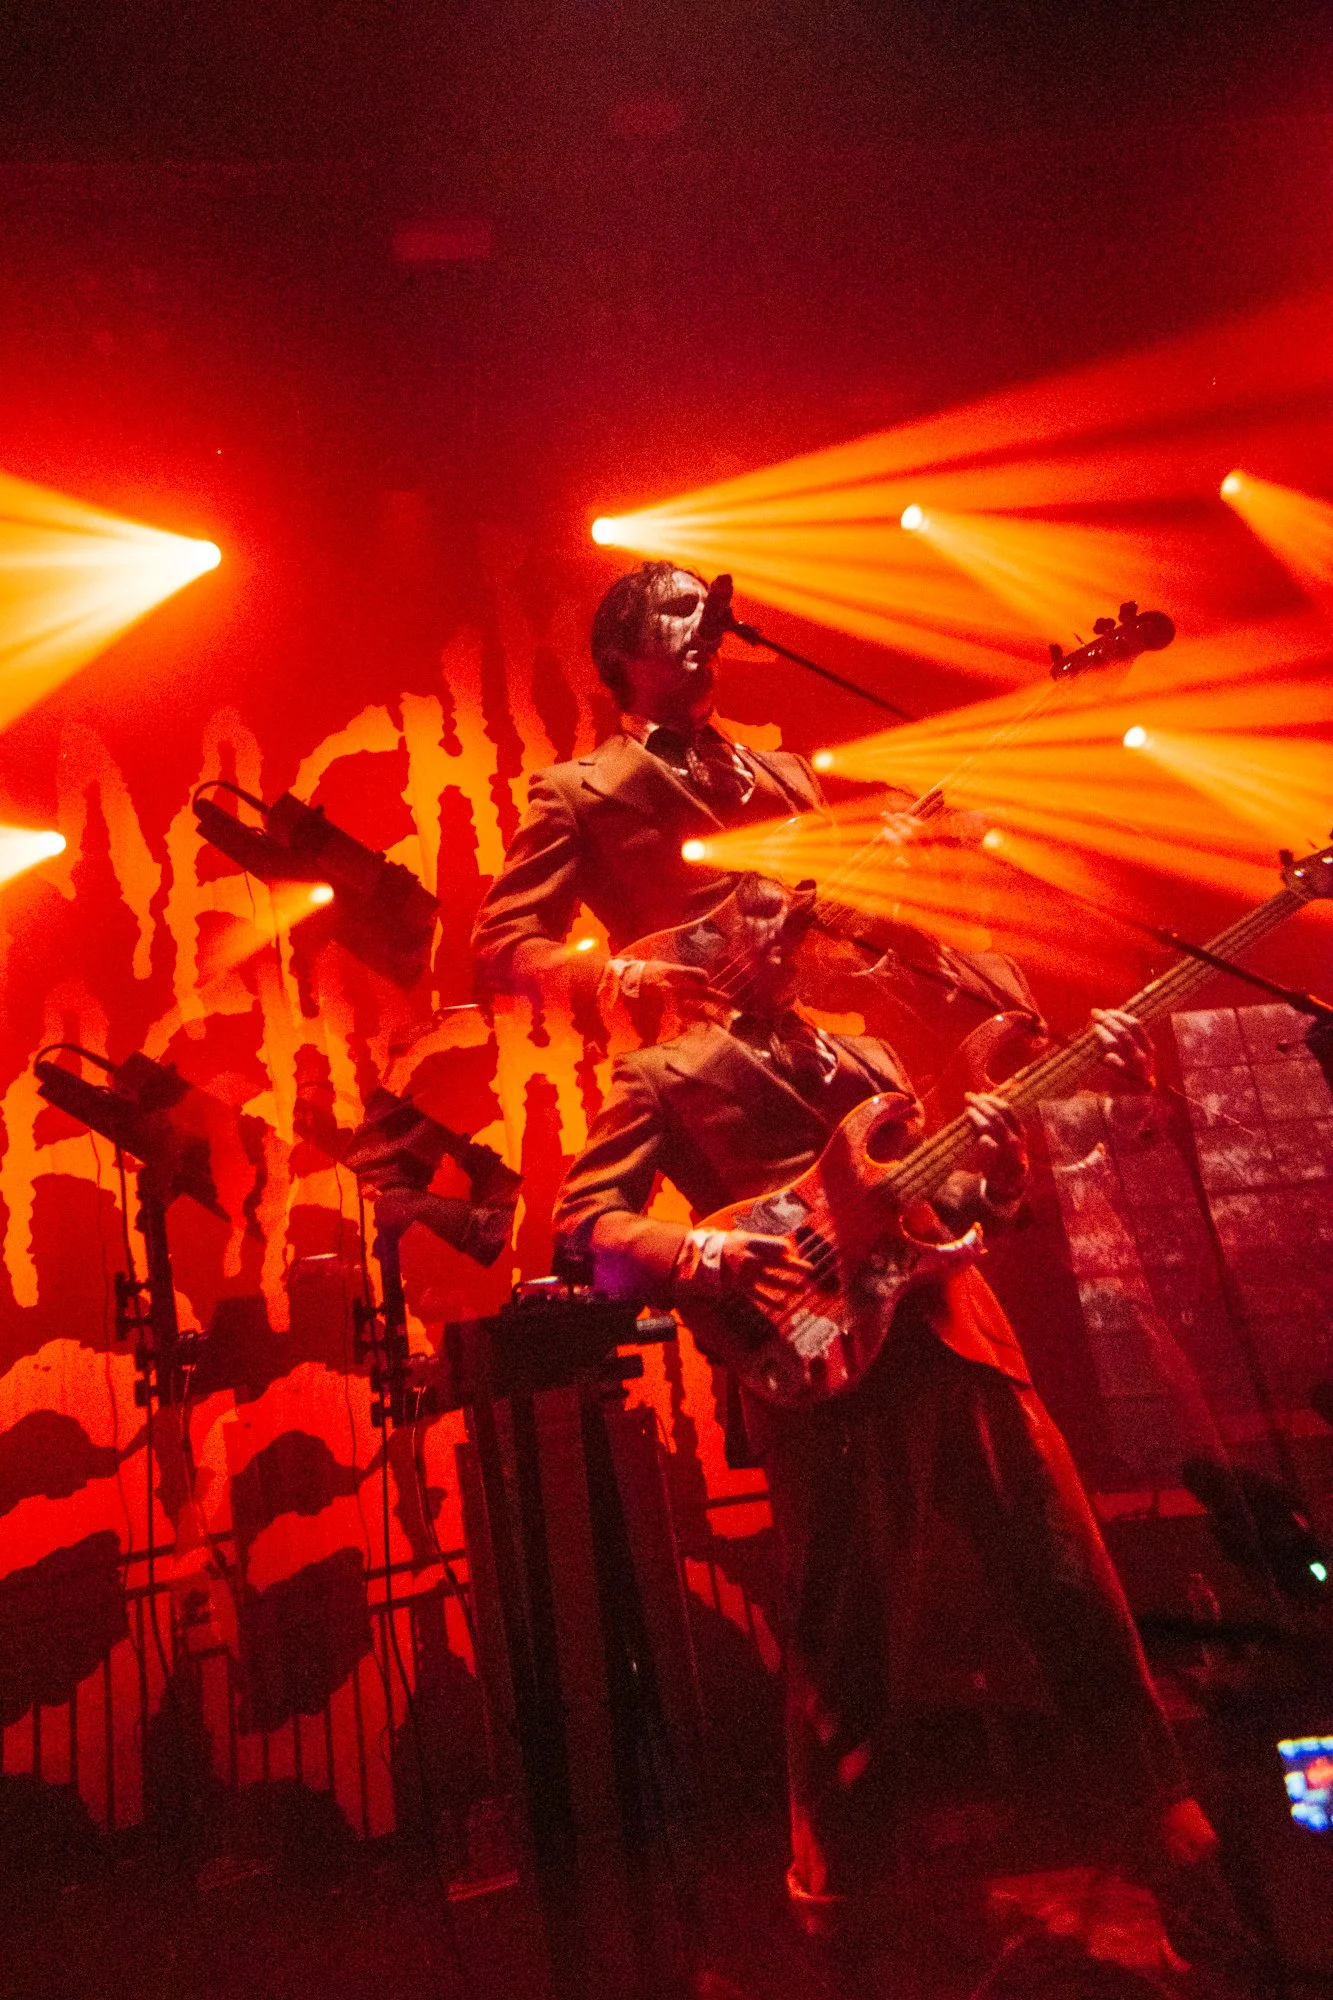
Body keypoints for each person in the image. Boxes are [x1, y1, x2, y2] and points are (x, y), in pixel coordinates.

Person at [550, 885, 1250, 1979]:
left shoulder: (868, 1052)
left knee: (1077, 1596)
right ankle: (838, 1910)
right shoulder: (659, 1072)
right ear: (698, 951)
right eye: (742, 920)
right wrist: (710, 1254)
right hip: (819, 1365)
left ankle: (1174, 1849)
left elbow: (952, 1199)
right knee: (846, 1651)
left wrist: (1003, 1161)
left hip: (962, 1339)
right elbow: (584, 1225)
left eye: (780, 919)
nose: (773, 936)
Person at [470, 560, 1035, 1074]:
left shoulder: (788, 775)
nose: (703, 623)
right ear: (622, 652)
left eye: (705, 609)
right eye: (677, 609)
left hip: (824, 1053)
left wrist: (888, 890)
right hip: (702, 1074)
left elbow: (829, 952)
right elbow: (502, 943)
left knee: (1004, 988)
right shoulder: (574, 790)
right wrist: (628, 980)